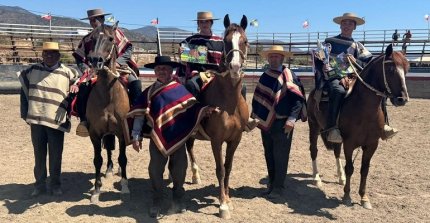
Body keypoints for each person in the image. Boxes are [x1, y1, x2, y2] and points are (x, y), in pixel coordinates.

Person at [128, 56, 216, 218]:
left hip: (178, 138)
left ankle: (178, 198)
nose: (162, 71)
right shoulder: (148, 93)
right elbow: (139, 115)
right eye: (159, 68)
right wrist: (135, 135)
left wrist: (205, 110)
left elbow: (192, 108)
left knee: (179, 169)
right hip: (157, 138)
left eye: (166, 68)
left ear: (171, 71)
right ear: (155, 71)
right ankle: (157, 200)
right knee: (155, 169)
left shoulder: (179, 89)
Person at [315, 12, 397, 143]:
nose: (347, 25)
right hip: (333, 77)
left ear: (355, 27)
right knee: (338, 91)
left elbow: (367, 65)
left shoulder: (358, 46)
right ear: (340, 25)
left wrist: (356, 61)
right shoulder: (329, 42)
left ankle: (384, 125)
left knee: (377, 91)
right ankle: (331, 129)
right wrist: (327, 70)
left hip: (353, 77)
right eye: (344, 23)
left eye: (350, 23)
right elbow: (319, 59)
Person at [178, 11, 258, 131]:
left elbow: (229, 56)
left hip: (219, 73)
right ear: (198, 24)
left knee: (243, 87)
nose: (204, 24)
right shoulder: (190, 40)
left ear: (211, 23)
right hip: (200, 73)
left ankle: (244, 118)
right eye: (201, 22)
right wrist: (184, 54)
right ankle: (193, 117)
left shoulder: (222, 40)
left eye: (207, 21)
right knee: (191, 85)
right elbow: (182, 58)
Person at [19, 42, 78, 197]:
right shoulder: (32, 71)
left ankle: (55, 185)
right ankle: (39, 185)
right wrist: (25, 113)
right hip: (36, 120)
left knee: (56, 155)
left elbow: (79, 85)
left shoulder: (68, 73)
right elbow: (23, 90)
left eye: (52, 53)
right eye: (46, 53)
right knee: (39, 155)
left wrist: (76, 87)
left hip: (56, 122)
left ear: (58, 55)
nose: (49, 56)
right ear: (42, 55)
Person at [72, 8, 142, 137]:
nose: (94, 22)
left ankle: (136, 119)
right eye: (92, 20)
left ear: (103, 19)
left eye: (97, 19)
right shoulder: (88, 38)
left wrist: (119, 62)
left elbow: (128, 48)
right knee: (83, 88)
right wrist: (85, 68)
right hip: (94, 70)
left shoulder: (115, 33)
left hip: (119, 68)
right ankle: (84, 121)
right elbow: (79, 56)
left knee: (135, 83)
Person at [251, 45, 305, 199]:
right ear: (268, 58)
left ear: (282, 58)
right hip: (265, 123)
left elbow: (298, 100)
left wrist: (292, 119)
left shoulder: (289, 75)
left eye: (276, 56)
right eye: (271, 56)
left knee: (281, 155)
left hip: (283, 123)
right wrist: (254, 116)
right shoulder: (265, 75)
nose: (273, 59)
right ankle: (272, 183)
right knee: (269, 153)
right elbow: (258, 97)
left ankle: (279, 188)